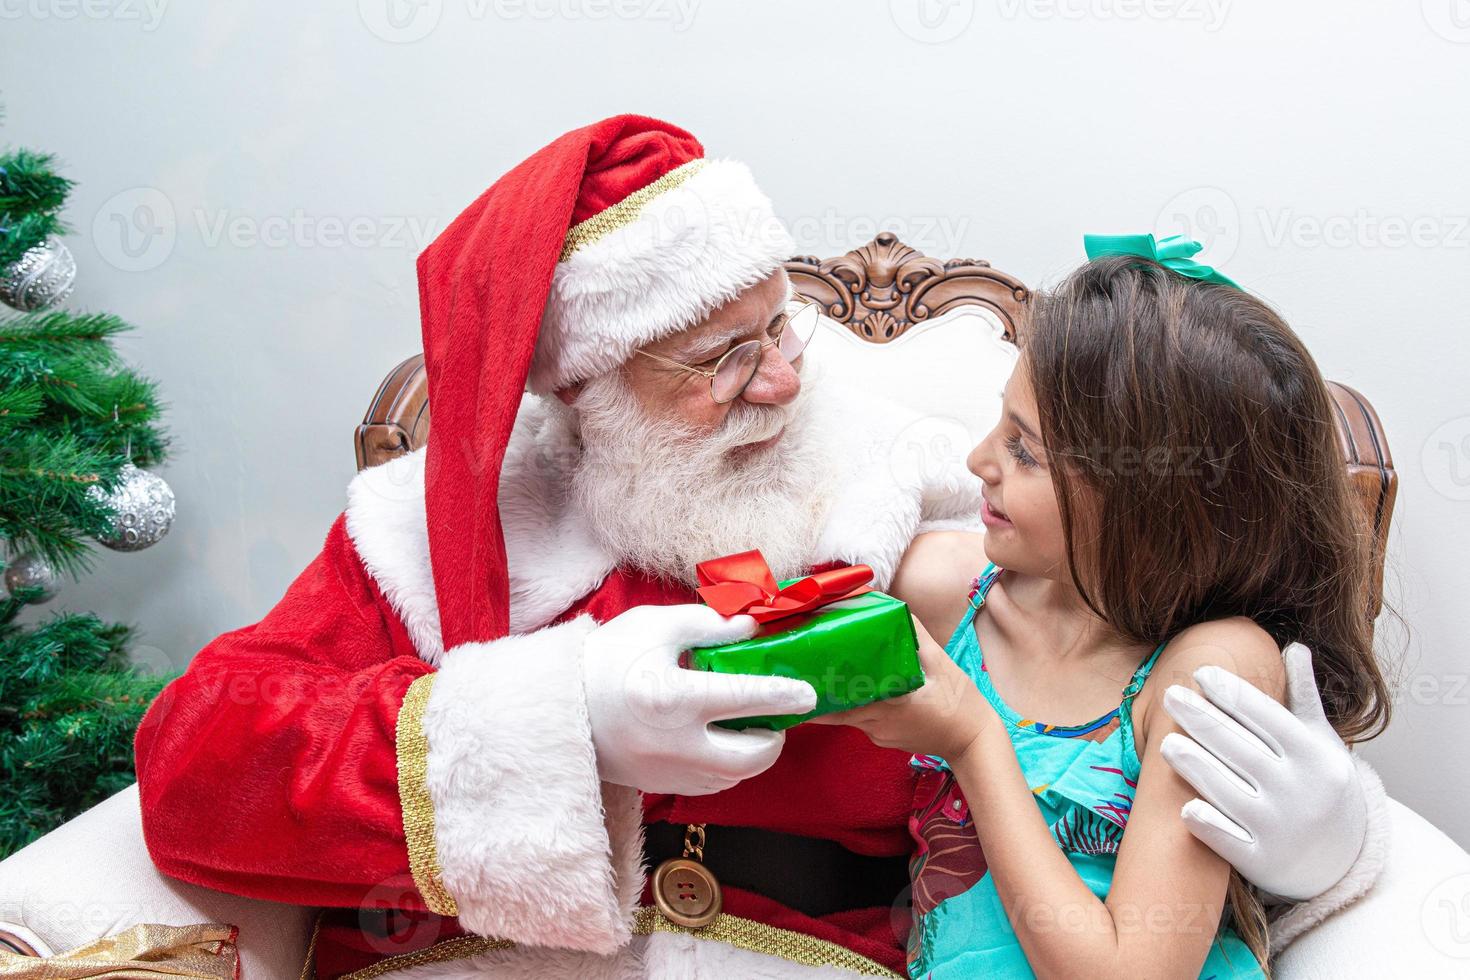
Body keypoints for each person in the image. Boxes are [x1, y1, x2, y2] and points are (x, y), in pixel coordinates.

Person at [132, 117, 1386, 978]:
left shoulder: (910, 497)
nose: (784, 379)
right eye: (721, 356)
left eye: (778, 324)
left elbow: (1135, 630)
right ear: (588, 385)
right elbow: (198, 766)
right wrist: (554, 720)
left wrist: (1324, 842)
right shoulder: (438, 527)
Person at [817, 238, 1390, 977]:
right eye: (1002, 425)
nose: (978, 461)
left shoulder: (1208, 667)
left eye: (1025, 452)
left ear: (1146, 502)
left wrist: (972, 741)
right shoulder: (949, 594)